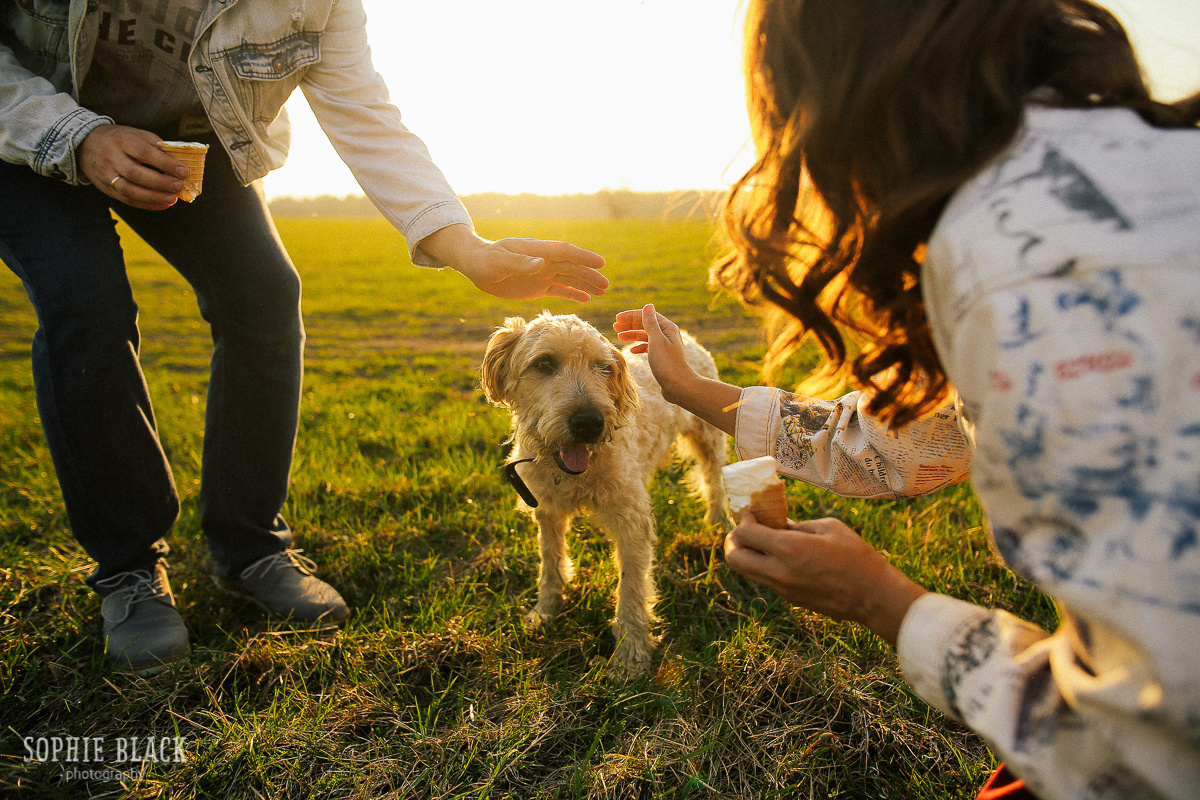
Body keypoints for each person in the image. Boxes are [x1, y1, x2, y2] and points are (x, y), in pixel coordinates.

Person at [614, 1, 1200, 797]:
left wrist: (888, 604)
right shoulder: (1115, 165)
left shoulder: (1021, 266)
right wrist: (698, 391)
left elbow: (1145, 748)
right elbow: (915, 446)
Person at [0, 0, 607, 676]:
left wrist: (467, 249)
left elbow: (369, 120)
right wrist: (76, 134)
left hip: (188, 137)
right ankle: (128, 569)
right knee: (86, 301)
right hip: (28, 123)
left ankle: (250, 544)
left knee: (262, 295)